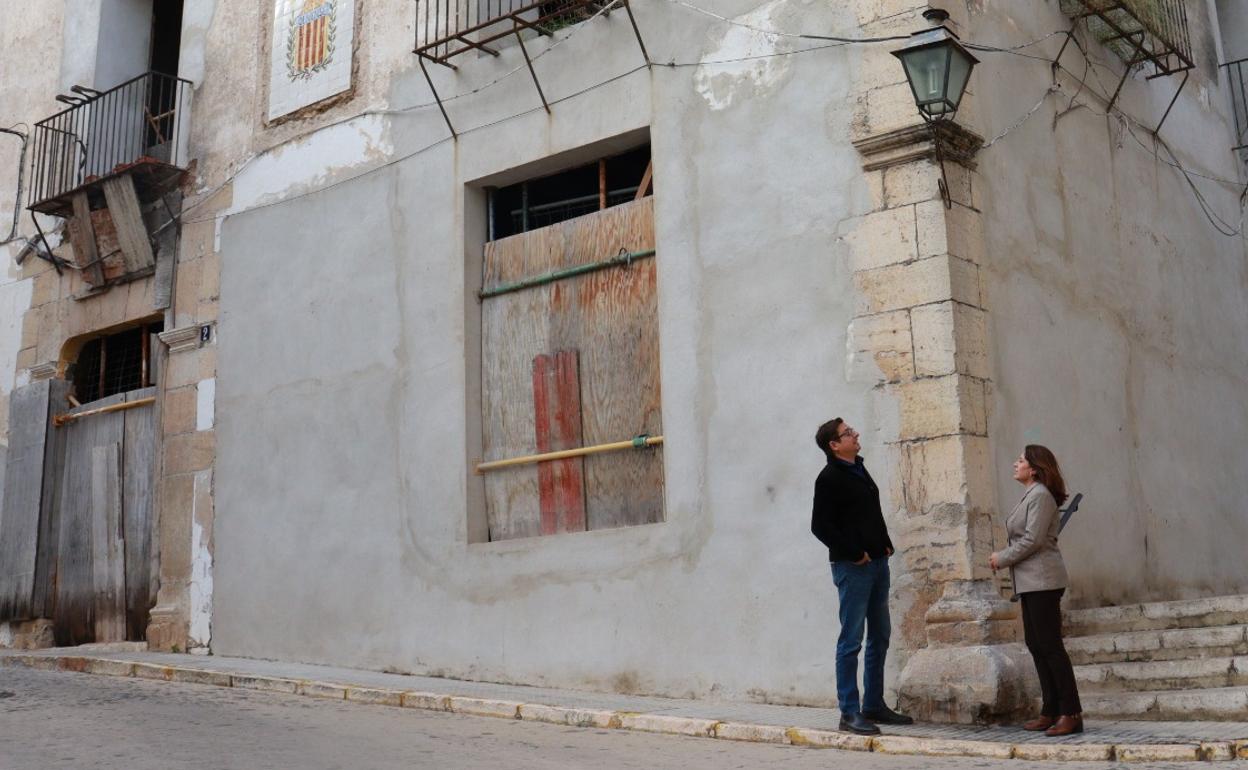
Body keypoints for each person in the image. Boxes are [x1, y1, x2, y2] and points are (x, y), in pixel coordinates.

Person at [811, 418, 913, 736]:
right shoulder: (828, 478)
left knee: (880, 635)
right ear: (834, 445)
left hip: (878, 563)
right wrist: (855, 553)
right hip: (853, 568)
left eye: (853, 430)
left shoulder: (858, 468)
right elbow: (820, 526)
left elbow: (870, 513)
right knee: (851, 640)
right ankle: (849, 713)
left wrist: (884, 543)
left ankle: (873, 705)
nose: (855, 434)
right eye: (848, 433)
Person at [990, 445, 1083, 736]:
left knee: (1051, 646)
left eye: (1021, 461)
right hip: (1031, 582)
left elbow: (1033, 540)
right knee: (1036, 644)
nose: (1015, 464)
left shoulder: (1041, 496)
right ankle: (1051, 710)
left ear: (1034, 468)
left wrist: (1001, 558)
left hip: (1043, 580)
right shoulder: (1032, 495)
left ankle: (1071, 712)